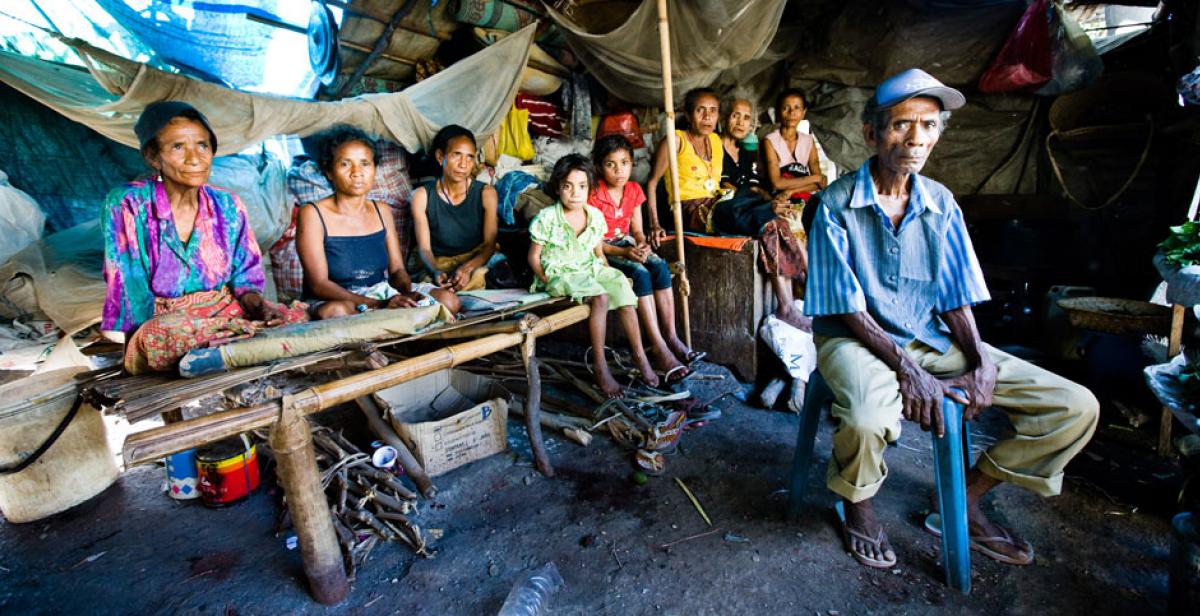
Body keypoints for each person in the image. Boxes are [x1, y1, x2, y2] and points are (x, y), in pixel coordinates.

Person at [804, 68, 1098, 570]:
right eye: (900, 125)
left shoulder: (940, 202)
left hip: (927, 334)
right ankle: (858, 505)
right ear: (872, 133)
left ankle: (964, 499)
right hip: (854, 339)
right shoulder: (835, 204)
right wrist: (908, 371)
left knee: (1074, 406)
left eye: (929, 125)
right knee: (867, 418)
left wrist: (980, 359)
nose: (915, 139)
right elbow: (848, 307)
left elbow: (956, 295)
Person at [102, 101, 307, 374]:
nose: (194, 158)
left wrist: (261, 308)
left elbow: (245, 277)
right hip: (167, 319)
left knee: (296, 317)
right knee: (159, 335)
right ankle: (237, 347)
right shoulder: (128, 203)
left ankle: (224, 347)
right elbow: (129, 284)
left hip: (225, 312)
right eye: (178, 147)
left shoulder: (228, 205)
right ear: (153, 156)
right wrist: (137, 346)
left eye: (202, 145)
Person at [645, 88, 808, 327]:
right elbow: (651, 183)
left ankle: (787, 305)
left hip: (719, 203)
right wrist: (655, 224)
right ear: (689, 114)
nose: (707, 117)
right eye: (700, 111)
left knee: (772, 223)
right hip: (692, 211)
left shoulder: (714, 141)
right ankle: (804, 281)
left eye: (712, 111)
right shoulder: (675, 140)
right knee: (757, 212)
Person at [528, 154, 661, 398]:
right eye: (567, 186)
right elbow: (534, 257)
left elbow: (599, 254)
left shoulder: (594, 216)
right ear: (558, 188)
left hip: (589, 268)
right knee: (599, 297)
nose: (574, 193)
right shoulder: (547, 218)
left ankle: (639, 354)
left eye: (581, 186)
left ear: (589, 189)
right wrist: (545, 280)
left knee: (621, 285)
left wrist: (608, 274)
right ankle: (599, 364)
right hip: (562, 273)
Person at [296, 126, 459, 319]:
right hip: (339, 299)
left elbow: (397, 269)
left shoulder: (381, 210)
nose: (357, 172)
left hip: (378, 291)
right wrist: (378, 304)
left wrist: (406, 293)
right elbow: (319, 284)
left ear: (374, 169)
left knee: (449, 301)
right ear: (329, 171)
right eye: (345, 164)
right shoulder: (313, 213)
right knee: (334, 313)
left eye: (365, 163)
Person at [590, 135, 700, 385]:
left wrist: (642, 245)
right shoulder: (595, 194)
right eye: (611, 164)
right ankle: (658, 346)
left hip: (627, 245)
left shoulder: (634, 190)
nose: (620, 170)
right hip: (605, 251)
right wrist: (626, 253)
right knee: (639, 273)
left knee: (659, 265)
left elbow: (637, 231)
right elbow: (595, 242)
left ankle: (671, 336)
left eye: (625, 162)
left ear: (632, 163)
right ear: (599, 167)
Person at [411, 125, 501, 292]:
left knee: (483, 277)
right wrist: (435, 271)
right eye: (456, 155)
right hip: (439, 261)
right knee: (433, 290)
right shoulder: (421, 196)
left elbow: (490, 244)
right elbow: (424, 248)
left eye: (470, 157)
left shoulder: (486, 193)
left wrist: (467, 268)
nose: (463, 165)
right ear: (440, 157)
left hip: (476, 259)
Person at [763, 87, 827, 202]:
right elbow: (777, 183)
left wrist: (791, 191)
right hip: (776, 199)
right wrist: (813, 178)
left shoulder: (808, 141)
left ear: (803, 113)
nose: (792, 112)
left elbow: (820, 184)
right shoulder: (770, 141)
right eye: (786, 108)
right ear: (778, 112)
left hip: (802, 198)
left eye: (797, 107)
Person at [719, 97, 769, 199]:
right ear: (724, 117)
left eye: (746, 117)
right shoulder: (713, 148)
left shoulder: (747, 153)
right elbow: (723, 185)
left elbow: (755, 186)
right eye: (735, 116)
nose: (740, 123)